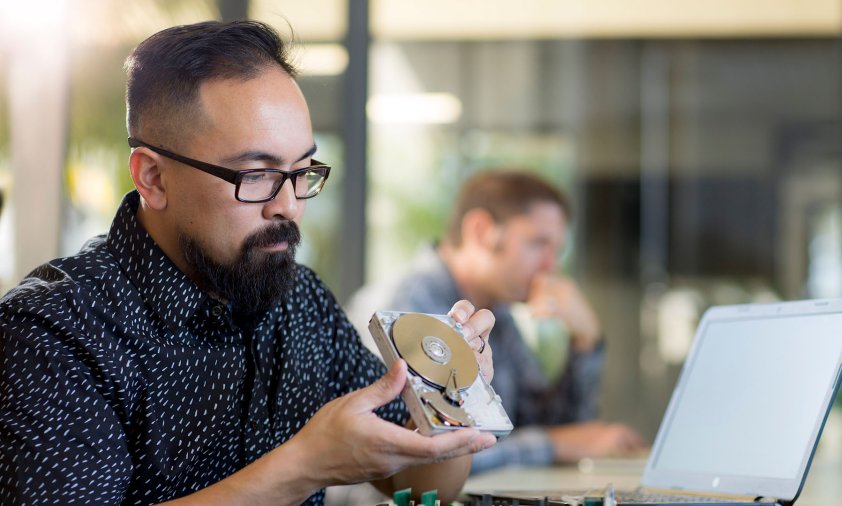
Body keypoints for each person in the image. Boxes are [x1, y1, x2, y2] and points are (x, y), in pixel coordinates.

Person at [0, 21, 498, 505]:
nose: (290, 206)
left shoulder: (300, 300)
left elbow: (419, 484)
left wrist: (454, 398)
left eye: (302, 171)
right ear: (152, 177)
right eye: (257, 175)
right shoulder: (54, 329)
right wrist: (306, 465)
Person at [348, 170, 645, 474]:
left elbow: (549, 425)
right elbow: (422, 453)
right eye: (538, 243)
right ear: (480, 231)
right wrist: (552, 444)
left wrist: (586, 342)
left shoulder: (495, 314)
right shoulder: (405, 306)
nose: (551, 265)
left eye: (557, 250)